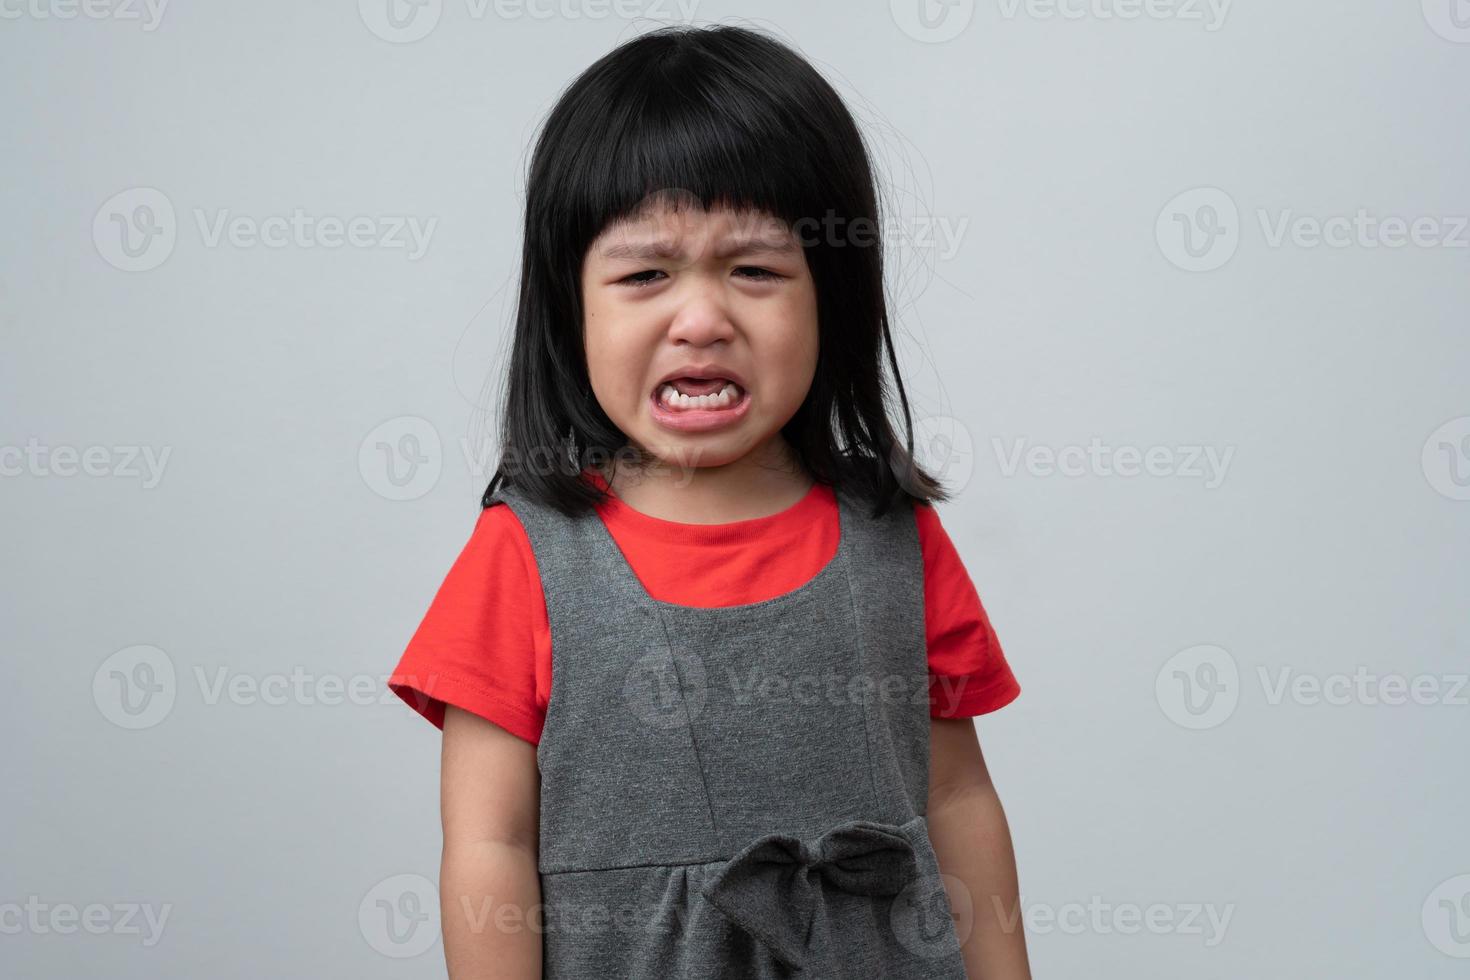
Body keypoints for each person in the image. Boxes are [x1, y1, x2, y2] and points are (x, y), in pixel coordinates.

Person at [388, 23, 1032, 979]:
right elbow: (490, 844)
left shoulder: (894, 539)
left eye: (756, 271)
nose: (701, 319)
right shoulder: (530, 555)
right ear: (572, 306)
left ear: (833, 297)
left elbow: (956, 799)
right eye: (645, 274)